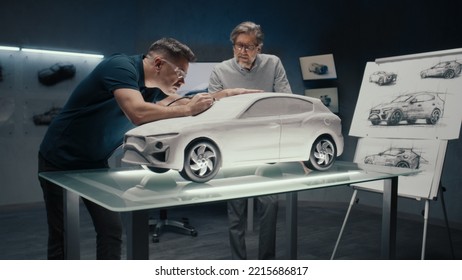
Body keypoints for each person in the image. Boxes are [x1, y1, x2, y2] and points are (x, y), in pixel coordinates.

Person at [38, 38, 215, 259]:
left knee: (111, 229)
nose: (182, 80)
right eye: (180, 72)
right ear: (159, 64)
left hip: (94, 161)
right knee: (61, 234)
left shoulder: (152, 89)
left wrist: (228, 96)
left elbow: (184, 102)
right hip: (58, 158)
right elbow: (137, 112)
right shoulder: (120, 66)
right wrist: (188, 110)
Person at [208, 21, 292, 259]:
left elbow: (285, 99)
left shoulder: (273, 63)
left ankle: (266, 263)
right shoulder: (220, 70)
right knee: (236, 211)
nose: (242, 51)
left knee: (270, 204)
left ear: (259, 47)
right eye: (238, 46)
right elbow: (212, 108)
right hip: (233, 146)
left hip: (267, 143)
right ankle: (238, 264)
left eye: (248, 46)